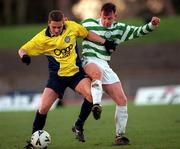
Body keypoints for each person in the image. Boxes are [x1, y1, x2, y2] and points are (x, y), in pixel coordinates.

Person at [18, 10, 115, 149]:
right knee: (43, 108)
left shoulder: (72, 26)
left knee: (92, 96)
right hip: (57, 78)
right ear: (49, 24)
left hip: (76, 75)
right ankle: (34, 142)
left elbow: (87, 34)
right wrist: (24, 57)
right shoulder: (41, 38)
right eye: (54, 27)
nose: (57, 30)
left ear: (63, 22)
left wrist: (105, 42)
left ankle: (78, 125)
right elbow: (22, 49)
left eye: (59, 26)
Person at [72, 2, 160, 145]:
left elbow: (137, 31)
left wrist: (151, 25)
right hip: (89, 60)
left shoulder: (119, 28)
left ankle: (120, 136)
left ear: (115, 17)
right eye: (104, 18)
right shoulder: (88, 23)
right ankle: (97, 105)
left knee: (122, 100)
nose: (107, 21)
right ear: (100, 14)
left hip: (105, 64)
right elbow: (73, 30)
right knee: (96, 73)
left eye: (110, 19)